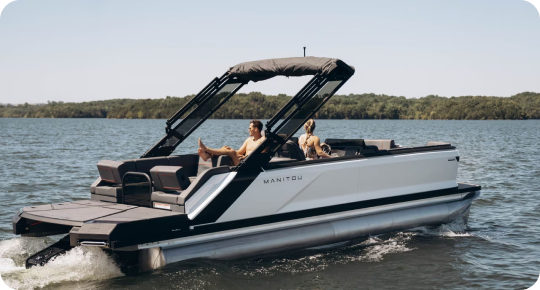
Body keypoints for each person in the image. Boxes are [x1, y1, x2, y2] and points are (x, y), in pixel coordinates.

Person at [198, 119, 265, 166]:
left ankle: (206, 149)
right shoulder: (249, 140)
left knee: (230, 152)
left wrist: (246, 157)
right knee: (225, 148)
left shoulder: (262, 140)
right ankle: (208, 156)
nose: (248, 130)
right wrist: (231, 150)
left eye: (250, 128)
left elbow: (261, 155)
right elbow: (239, 152)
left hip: (249, 164)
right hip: (241, 161)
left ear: (256, 129)